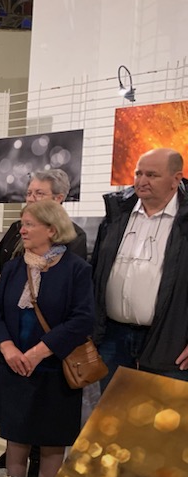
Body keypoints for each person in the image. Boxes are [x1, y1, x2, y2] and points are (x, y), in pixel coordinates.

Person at [0, 200, 94, 477]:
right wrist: (7, 348)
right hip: (14, 369)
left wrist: (37, 353)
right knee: (16, 441)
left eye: (30, 224)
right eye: (23, 223)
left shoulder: (77, 269)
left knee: (51, 445)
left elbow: (82, 319)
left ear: (52, 229)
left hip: (54, 373)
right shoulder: (12, 267)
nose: (22, 230)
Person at [93, 147, 188, 388]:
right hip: (113, 337)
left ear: (176, 179)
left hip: (170, 340)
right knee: (112, 420)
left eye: (152, 175)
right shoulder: (117, 214)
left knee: (161, 420)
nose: (141, 181)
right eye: (138, 174)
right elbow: (97, 272)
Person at [0, 169, 87, 293]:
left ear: (58, 198)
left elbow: (68, 284)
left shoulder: (74, 235)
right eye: (29, 193)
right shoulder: (16, 228)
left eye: (39, 194)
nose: (31, 199)